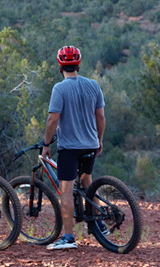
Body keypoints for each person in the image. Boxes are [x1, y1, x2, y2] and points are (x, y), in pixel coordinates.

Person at [42, 46, 106, 250]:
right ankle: (99, 222)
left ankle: (68, 237)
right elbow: (101, 117)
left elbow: (53, 120)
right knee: (88, 181)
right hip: (91, 144)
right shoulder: (93, 85)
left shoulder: (59, 88)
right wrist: (99, 139)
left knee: (66, 191)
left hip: (70, 148)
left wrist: (45, 144)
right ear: (78, 64)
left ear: (60, 66)